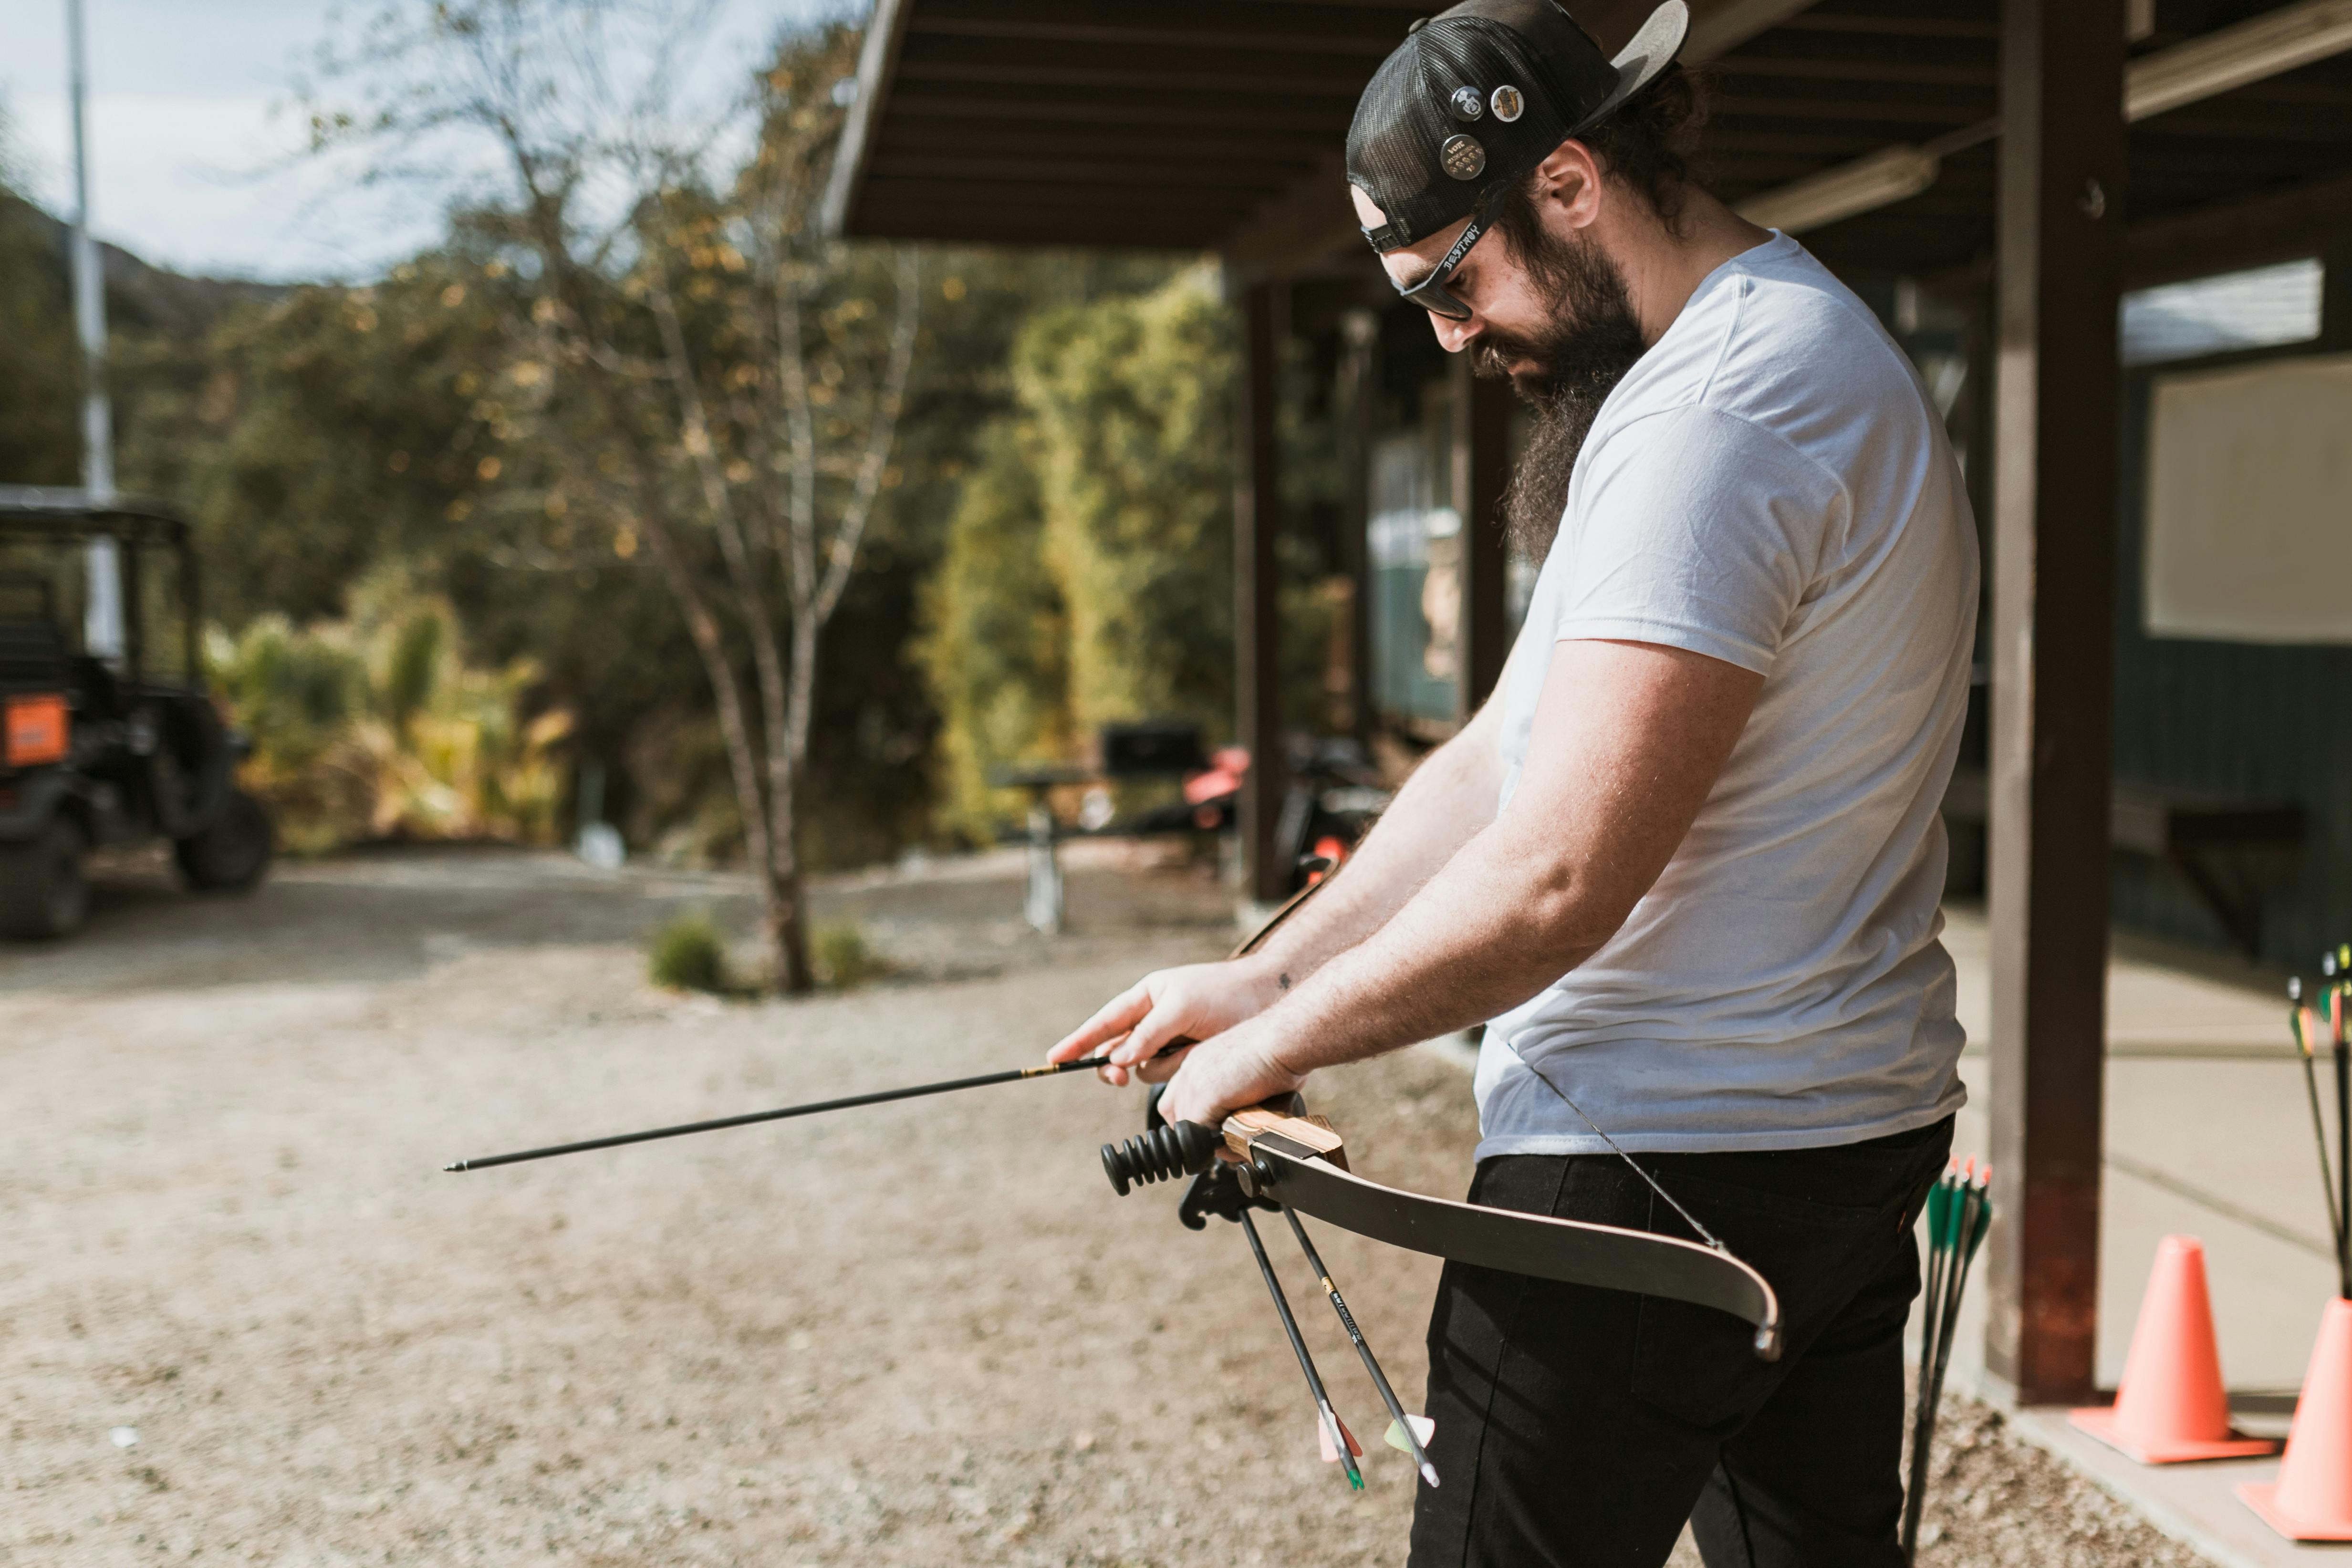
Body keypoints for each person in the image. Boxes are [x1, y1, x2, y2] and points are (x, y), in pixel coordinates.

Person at [1049, 0, 1979, 1562]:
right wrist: (1257, 974)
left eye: (1451, 281)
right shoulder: (1736, 357)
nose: (1449, 335)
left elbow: (1557, 882)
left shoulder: (1718, 417)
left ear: (1565, 183)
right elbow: (1503, 749)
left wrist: (1269, 1048)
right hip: (1820, 1138)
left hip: (1652, 1162)